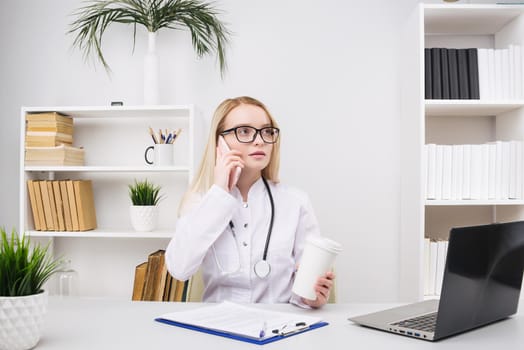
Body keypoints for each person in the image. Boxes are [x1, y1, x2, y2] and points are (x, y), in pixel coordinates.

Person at [165, 96, 334, 308]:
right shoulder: (201, 200)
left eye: (267, 131)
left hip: (277, 329)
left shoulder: (296, 202)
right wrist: (219, 193)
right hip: (217, 327)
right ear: (220, 142)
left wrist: (311, 297)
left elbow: (306, 284)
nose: (259, 140)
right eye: (244, 131)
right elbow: (179, 269)